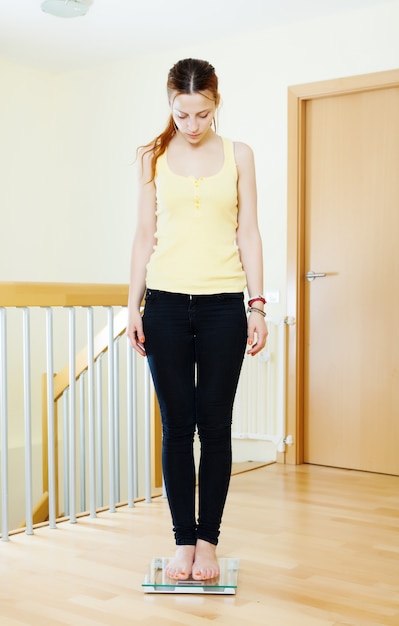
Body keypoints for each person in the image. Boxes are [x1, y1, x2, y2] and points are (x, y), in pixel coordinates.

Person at [127, 58, 268, 582]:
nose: (191, 125)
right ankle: (182, 541)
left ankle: (208, 541)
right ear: (171, 105)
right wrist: (131, 306)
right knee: (176, 427)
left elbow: (248, 232)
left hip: (222, 306)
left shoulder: (240, 156)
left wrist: (257, 305)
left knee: (215, 425)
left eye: (202, 114)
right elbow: (144, 236)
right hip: (162, 305)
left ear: (216, 103)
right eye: (182, 114)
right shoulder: (151, 156)